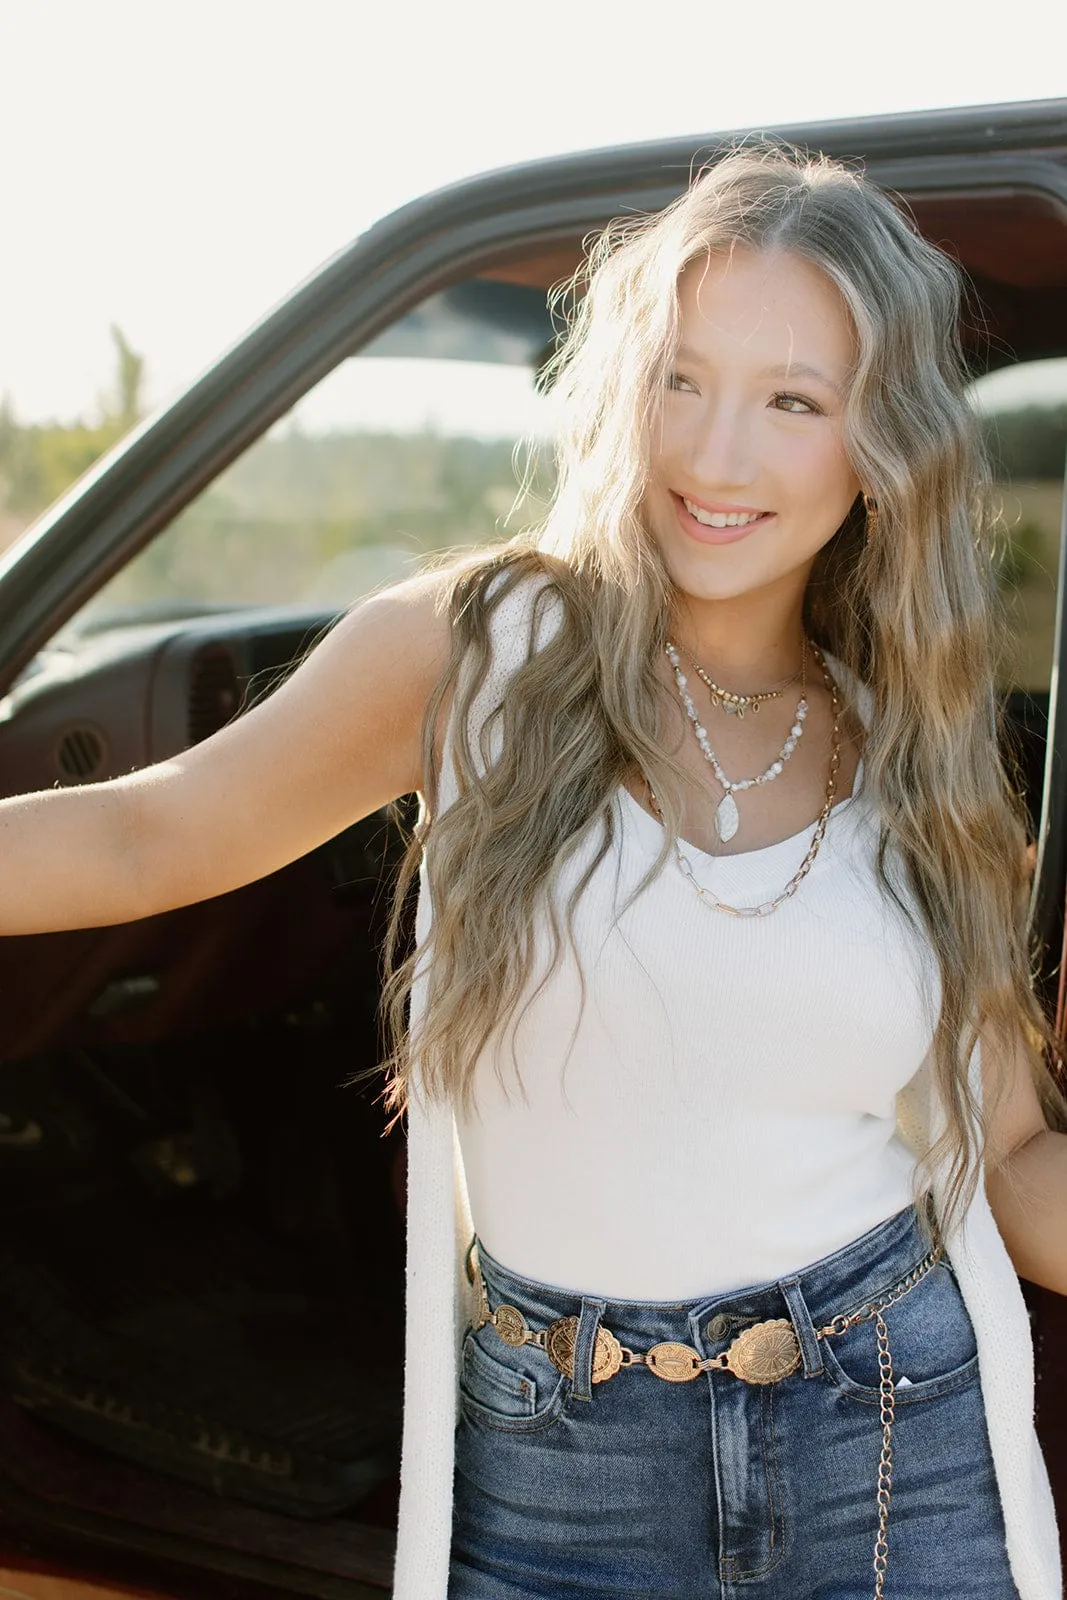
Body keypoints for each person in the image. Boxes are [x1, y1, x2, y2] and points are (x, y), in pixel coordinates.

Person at [1, 143, 1065, 1598]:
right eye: (678, 377)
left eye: (791, 402)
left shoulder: (919, 753)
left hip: (886, 1434)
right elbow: (148, 832)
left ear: (878, 448)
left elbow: (1006, 1159)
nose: (714, 454)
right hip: (566, 1462)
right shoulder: (478, 650)